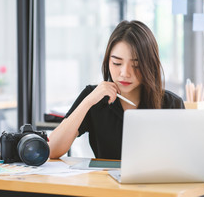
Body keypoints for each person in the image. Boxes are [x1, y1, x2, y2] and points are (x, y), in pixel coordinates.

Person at [48, 20, 185, 160]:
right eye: (117, 63)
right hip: (105, 182)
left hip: (155, 182)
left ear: (149, 65)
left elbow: (183, 159)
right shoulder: (94, 97)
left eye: (136, 65)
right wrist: (87, 102)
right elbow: (52, 149)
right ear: (107, 61)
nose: (125, 73)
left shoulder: (171, 104)